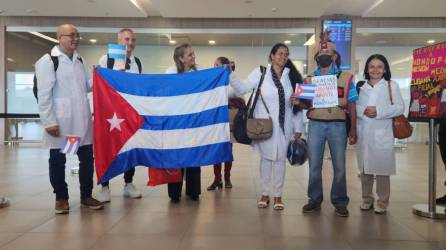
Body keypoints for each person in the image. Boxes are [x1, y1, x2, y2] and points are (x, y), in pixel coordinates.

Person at [35, 24, 104, 214]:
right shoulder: (49, 61)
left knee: (86, 161)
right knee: (59, 160)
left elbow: (87, 86)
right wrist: (49, 121)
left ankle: (86, 196)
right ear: (59, 37)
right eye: (71, 35)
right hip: (62, 124)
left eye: (78, 35)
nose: (76, 38)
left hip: (80, 123)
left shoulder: (80, 59)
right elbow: (44, 94)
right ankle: (61, 198)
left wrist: (100, 75)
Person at [230, 43, 304, 210]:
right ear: (272, 55)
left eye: (286, 54)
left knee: (280, 161)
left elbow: (297, 106)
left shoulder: (291, 76)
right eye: (279, 54)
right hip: (263, 126)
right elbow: (242, 88)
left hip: (285, 127)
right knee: (265, 159)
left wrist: (298, 128)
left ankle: (278, 195)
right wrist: (230, 75)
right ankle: (265, 193)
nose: (283, 57)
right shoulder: (260, 72)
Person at [295, 31, 358, 217]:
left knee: (339, 166)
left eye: (328, 54)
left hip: (338, 125)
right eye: (320, 55)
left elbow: (352, 103)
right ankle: (314, 199)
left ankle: (339, 201)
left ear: (335, 56)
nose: (324, 57)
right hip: (315, 125)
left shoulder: (347, 78)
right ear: (316, 58)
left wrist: (353, 128)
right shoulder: (308, 79)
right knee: (314, 165)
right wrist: (298, 101)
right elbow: (305, 103)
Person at [96, 28, 143, 203]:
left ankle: (128, 183)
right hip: (110, 114)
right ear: (119, 40)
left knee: (130, 146)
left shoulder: (137, 61)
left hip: (129, 113)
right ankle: (104, 186)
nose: (130, 43)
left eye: (133, 40)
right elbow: (101, 85)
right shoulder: (106, 59)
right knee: (108, 147)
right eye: (126, 39)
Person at [356, 54, 404, 214]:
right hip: (364, 133)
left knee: (382, 170)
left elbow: (399, 107)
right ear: (367, 69)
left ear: (384, 70)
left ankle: (383, 201)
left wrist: (379, 111)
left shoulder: (391, 85)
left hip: (382, 133)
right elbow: (354, 106)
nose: (375, 70)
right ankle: (366, 198)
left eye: (379, 67)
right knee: (365, 169)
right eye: (372, 66)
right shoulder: (360, 86)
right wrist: (363, 110)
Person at [165, 43, 201, 202]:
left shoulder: (198, 72)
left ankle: (193, 191)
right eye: (190, 55)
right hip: (176, 122)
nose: (193, 57)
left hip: (193, 121)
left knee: (193, 156)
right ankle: (174, 193)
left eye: (193, 54)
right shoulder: (170, 72)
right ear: (181, 58)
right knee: (176, 157)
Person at [207, 57, 239, 190]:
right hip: (216, 120)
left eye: (217, 65)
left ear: (225, 66)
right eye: (214, 64)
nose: (214, 67)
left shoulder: (231, 81)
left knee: (227, 150)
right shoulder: (212, 81)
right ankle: (217, 179)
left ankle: (227, 178)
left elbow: (238, 95)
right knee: (216, 151)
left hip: (229, 119)